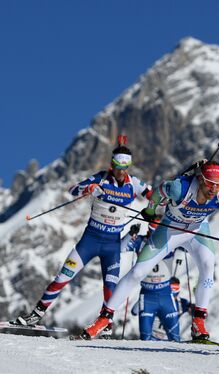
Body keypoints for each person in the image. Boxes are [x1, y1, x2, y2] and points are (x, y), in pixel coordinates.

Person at [14, 137, 152, 338]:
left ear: (129, 166)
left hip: (112, 245)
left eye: (125, 167)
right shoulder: (101, 178)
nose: (121, 172)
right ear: (111, 165)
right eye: (117, 166)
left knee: (111, 287)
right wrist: (88, 189)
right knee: (62, 277)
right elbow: (72, 190)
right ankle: (36, 314)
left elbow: (154, 195)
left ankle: (106, 322)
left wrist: (154, 207)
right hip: (90, 241)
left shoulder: (135, 184)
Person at [81, 161, 219, 340]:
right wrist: (151, 210)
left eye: (218, 184)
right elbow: (159, 192)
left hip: (197, 231)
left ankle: (199, 322)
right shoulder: (179, 188)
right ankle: (104, 319)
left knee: (207, 265)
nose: (213, 189)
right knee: (137, 272)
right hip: (171, 230)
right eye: (209, 183)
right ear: (200, 178)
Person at [122, 224, 190, 341]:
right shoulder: (140, 241)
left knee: (175, 340)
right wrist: (130, 234)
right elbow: (120, 247)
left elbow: (189, 246)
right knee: (146, 339)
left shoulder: (171, 239)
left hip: (164, 296)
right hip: (148, 295)